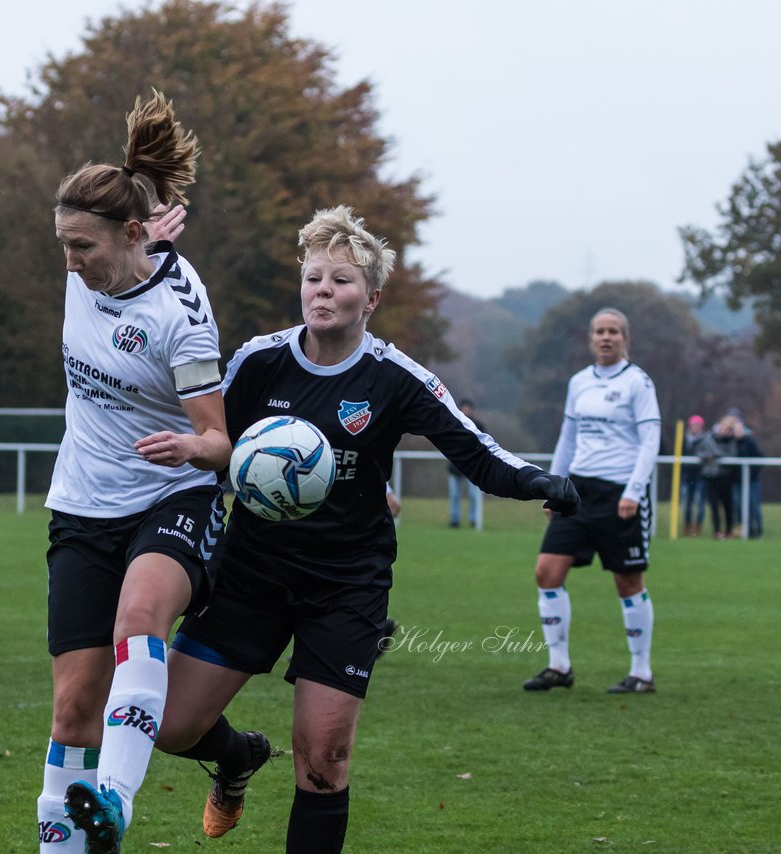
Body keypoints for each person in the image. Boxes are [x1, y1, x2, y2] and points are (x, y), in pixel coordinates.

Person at [151, 206, 578, 853]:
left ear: (371, 298)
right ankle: (238, 758)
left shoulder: (394, 377)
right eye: (314, 278)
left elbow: (475, 449)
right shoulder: (260, 362)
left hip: (345, 586)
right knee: (169, 724)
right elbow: (213, 443)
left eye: (342, 280)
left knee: (323, 761)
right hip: (249, 573)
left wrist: (540, 481)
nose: (323, 290)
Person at [36, 90, 233, 854]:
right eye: (63, 245)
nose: (69, 262)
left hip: (170, 494)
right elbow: (119, 239)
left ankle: (114, 799)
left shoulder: (181, 319)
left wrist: (192, 447)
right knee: (71, 712)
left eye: (82, 247)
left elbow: (220, 440)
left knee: (136, 622)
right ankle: (62, 846)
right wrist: (133, 232)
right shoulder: (87, 266)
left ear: (127, 235)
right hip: (82, 504)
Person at [523, 308, 662, 695]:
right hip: (579, 492)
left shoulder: (638, 383)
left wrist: (634, 490)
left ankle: (641, 672)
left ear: (625, 338)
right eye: (600, 331)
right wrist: (553, 487)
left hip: (620, 494)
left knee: (628, 580)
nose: (606, 337)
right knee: (547, 572)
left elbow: (650, 440)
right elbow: (568, 438)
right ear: (590, 338)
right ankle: (559, 666)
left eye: (614, 331)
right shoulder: (580, 382)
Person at [446, 398, 485, 527]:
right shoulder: (453, 423)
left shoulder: (478, 426)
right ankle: (454, 520)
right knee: (454, 495)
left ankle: (474, 520)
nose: (466, 410)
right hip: (456, 466)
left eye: (468, 407)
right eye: (464, 407)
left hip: (473, 467)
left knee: (474, 495)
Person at [706, 414, 739, 540]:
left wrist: (715, 454)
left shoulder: (731, 441)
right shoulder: (710, 437)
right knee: (714, 505)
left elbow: (732, 454)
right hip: (712, 476)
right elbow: (702, 451)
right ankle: (717, 531)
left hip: (726, 476)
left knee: (727, 505)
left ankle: (729, 531)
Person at [681, 415, 711, 536]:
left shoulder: (706, 439)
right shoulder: (684, 439)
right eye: (694, 425)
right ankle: (687, 527)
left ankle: (697, 528)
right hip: (687, 476)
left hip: (700, 476)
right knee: (687, 503)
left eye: (698, 425)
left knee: (699, 503)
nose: (696, 427)